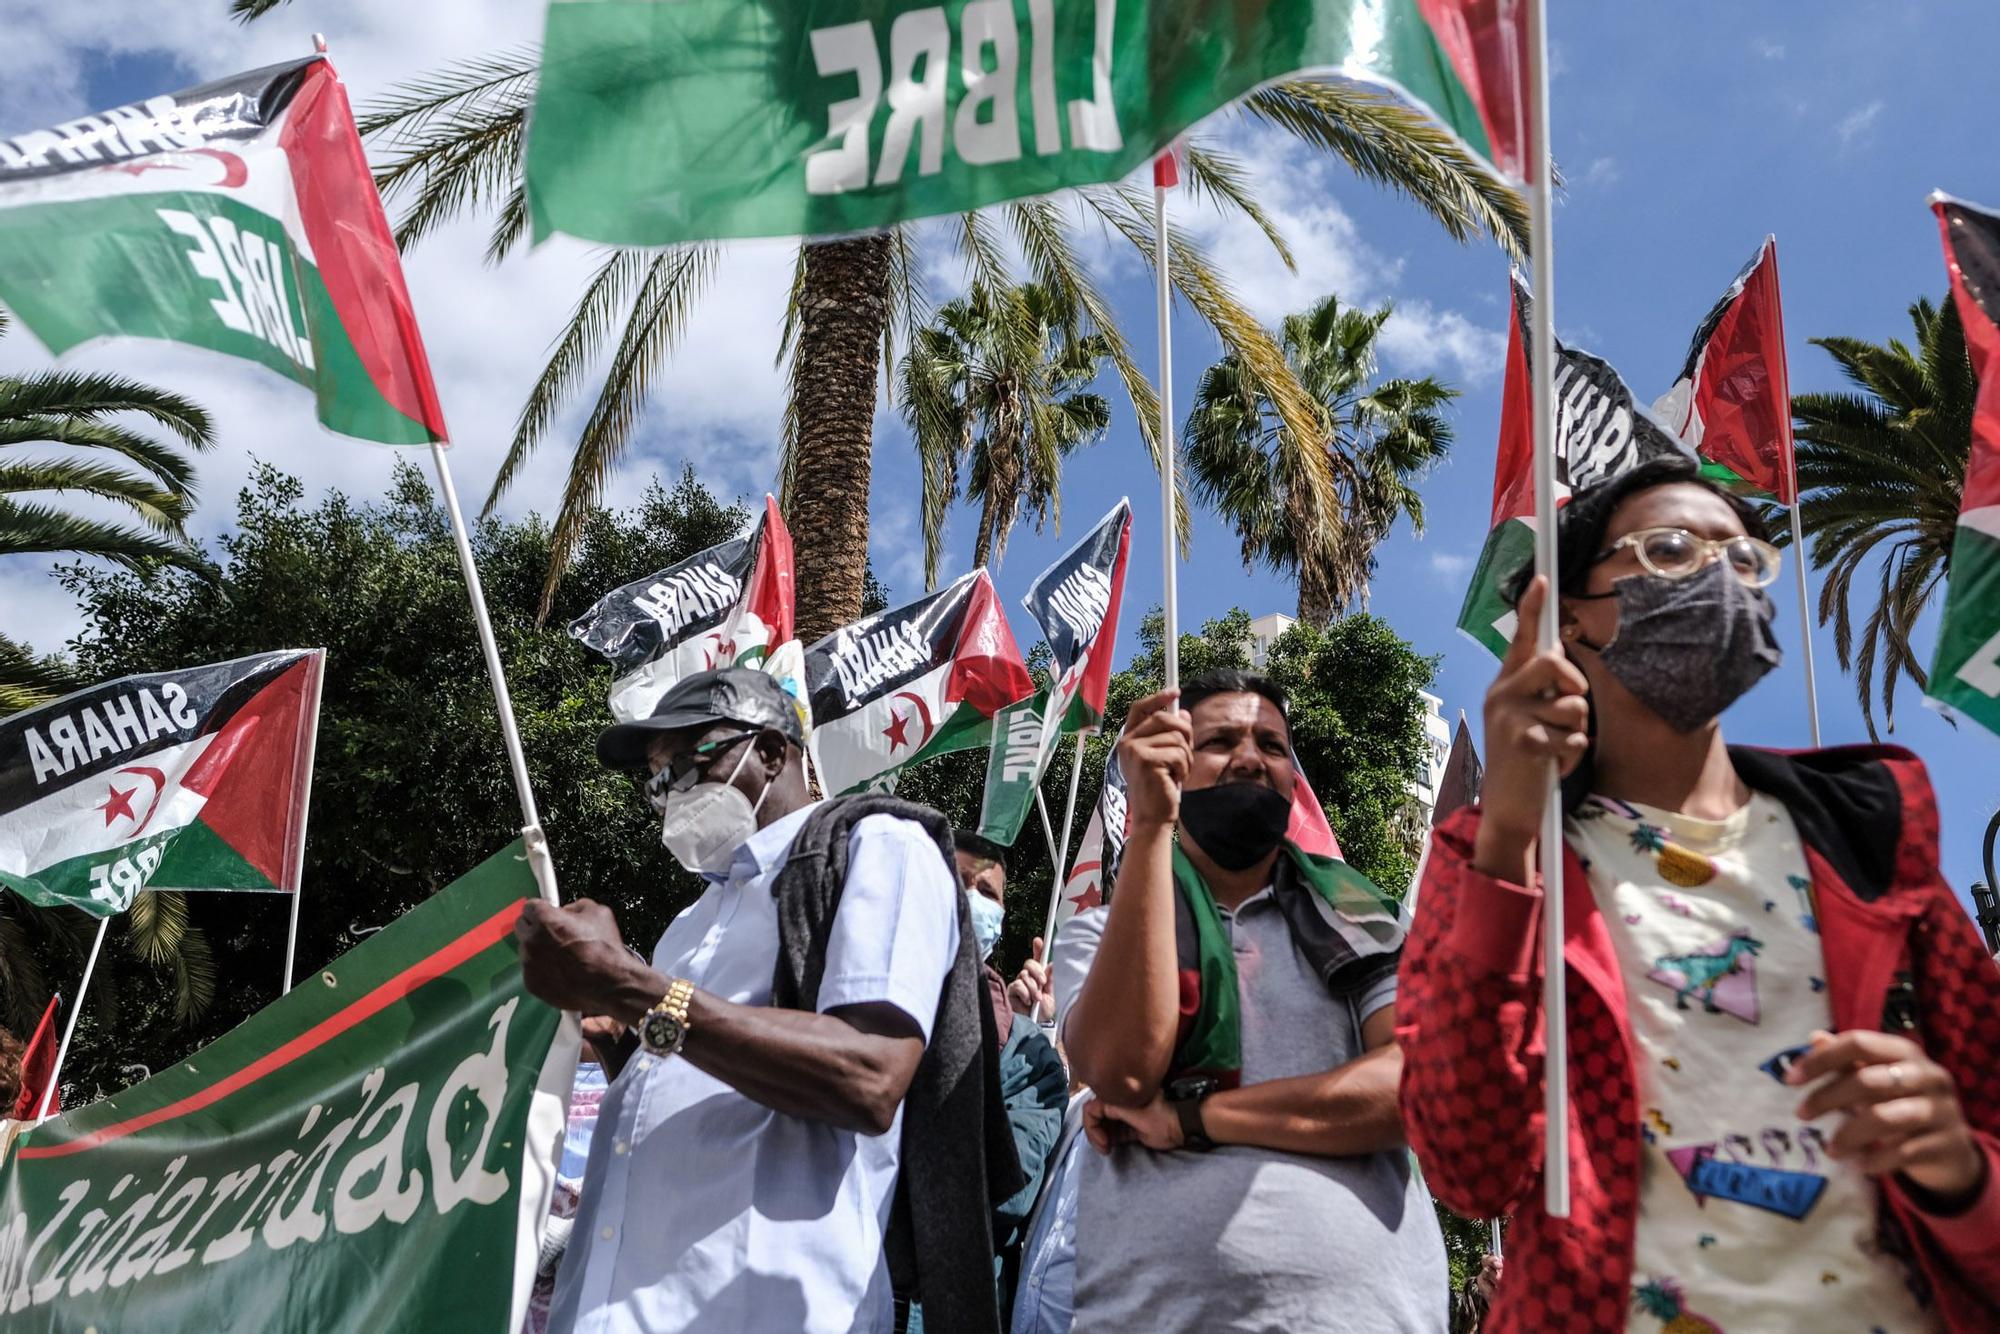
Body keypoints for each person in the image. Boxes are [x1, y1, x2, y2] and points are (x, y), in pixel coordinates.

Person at [1397, 454, 2000, 1332]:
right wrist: (1510, 837)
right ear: (1568, 616)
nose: (1721, 573)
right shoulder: (1498, 858)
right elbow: (1468, 1163)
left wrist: (1960, 1171)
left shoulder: (1870, 836)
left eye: (1745, 560)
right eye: (1672, 549)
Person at [516, 666, 1022, 1334]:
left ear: (772, 751)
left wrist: (633, 988)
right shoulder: (692, 923)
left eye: (689, 763)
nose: (671, 793)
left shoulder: (877, 846)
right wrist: (622, 1041)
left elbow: (868, 1075)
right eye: (656, 782)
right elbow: (698, 1071)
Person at [1062, 670, 1448, 1332]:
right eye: (1220, 741)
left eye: (1272, 745)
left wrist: (1194, 1120)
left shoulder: (1365, 922)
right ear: (1173, 763)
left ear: (1292, 782)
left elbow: (1415, 1087)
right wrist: (1152, 825)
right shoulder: (1100, 935)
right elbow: (1122, 1070)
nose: (1251, 758)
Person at [897, 832, 1067, 1332]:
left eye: (987, 892)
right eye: (955, 880)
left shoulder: (1028, 1054)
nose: (970, 898)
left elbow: (1003, 1189)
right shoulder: (855, 1011)